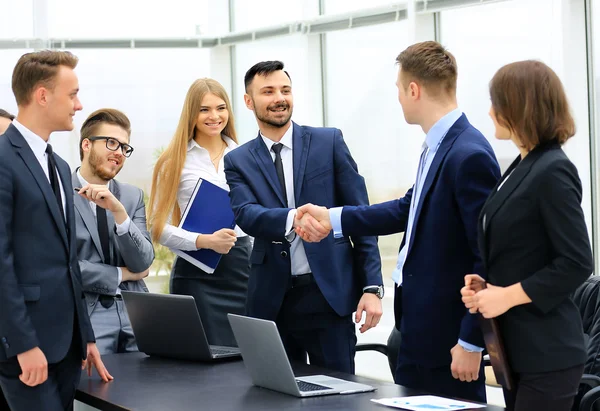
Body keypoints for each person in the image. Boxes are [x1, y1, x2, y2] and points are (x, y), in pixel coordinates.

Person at [295, 41, 500, 401]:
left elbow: (486, 257)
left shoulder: (468, 155)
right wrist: (333, 218)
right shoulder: (438, 146)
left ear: (414, 89)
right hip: (417, 329)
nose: (400, 100)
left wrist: (471, 339)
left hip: (448, 337)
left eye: (399, 90)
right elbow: (408, 209)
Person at [224, 60, 383, 375]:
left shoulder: (329, 141)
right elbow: (246, 214)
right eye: (268, 91)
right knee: (275, 397)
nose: (279, 98)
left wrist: (372, 287)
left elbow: (361, 218)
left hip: (329, 295)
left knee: (339, 396)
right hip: (271, 301)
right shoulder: (238, 160)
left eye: (285, 90)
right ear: (248, 101)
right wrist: (294, 218)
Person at [461, 60, 593, 411]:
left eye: (497, 103)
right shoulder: (523, 165)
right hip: (517, 350)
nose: (489, 112)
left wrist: (507, 296)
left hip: (548, 353)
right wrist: (488, 285)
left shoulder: (553, 169)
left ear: (519, 106)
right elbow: (523, 250)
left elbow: (578, 262)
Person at [0, 50, 112, 411]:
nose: (79, 105)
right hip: (25, 347)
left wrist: (87, 336)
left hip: (67, 346)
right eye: (73, 94)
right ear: (43, 95)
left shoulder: (60, 166)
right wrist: (23, 344)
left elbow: (69, 262)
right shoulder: (2, 160)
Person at [148, 78, 251, 347]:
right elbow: (156, 227)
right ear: (191, 114)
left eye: (220, 108)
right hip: (195, 273)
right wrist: (204, 241)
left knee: (244, 358)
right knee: (203, 364)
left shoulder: (247, 156)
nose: (214, 116)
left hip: (242, 268)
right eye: (204, 109)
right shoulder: (174, 161)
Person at [74, 108, 154, 355]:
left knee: (149, 388)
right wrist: (120, 275)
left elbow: (143, 261)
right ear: (87, 144)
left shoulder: (131, 196)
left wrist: (120, 213)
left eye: (124, 147)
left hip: (137, 312)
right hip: (87, 312)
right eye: (111, 143)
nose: (119, 152)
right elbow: (62, 266)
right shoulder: (57, 193)